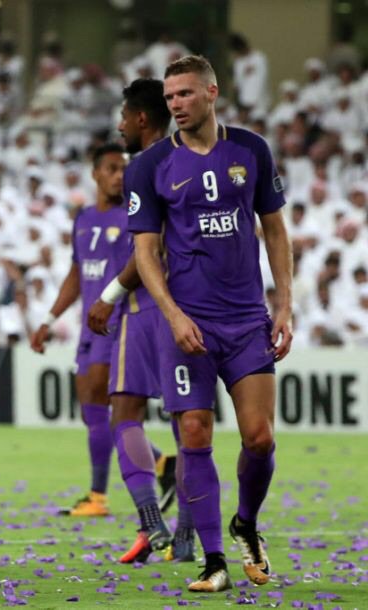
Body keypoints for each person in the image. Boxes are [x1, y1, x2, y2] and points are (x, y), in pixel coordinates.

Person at [129, 55, 292, 592]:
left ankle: (245, 522)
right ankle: (214, 561)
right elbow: (146, 252)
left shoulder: (251, 150)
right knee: (195, 433)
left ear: (212, 93)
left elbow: (274, 229)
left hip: (247, 321)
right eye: (170, 97)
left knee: (260, 439)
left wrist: (285, 305)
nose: (175, 104)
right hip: (188, 326)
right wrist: (172, 314)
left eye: (184, 94)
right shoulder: (150, 166)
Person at [88, 78, 188, 564]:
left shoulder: (142, 167)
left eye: (124, 117)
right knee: (190, 422)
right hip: (193, 304)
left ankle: (153, 523)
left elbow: (146, 249)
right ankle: (188, 536)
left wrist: (109, 294)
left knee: (124, 413)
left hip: (146, 304)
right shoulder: (193, 157)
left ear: (141, 119)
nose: (120, 125)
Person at [30, 143, 128, 517]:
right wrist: (48, 320)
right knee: (92, 413)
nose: (120, 175)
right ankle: (162, 464)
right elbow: (75, 273)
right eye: (112, 168)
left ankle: (98, 497)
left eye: (123, 169)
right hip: (88, 326)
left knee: (101, 407)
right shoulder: (84, 218)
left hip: (116, 324)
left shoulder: (132, 218)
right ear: (96, 174)